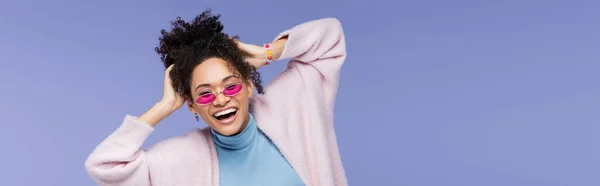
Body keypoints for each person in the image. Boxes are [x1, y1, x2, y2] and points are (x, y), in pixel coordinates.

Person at [85, 9, 347, 186]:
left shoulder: (291, 107)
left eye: (230, 86)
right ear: (192, 105)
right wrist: (163, 107)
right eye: (205, 94)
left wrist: (266, 53)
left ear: (248, 85)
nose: (220, 100)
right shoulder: (182, 156)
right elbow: (104, 166)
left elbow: (330, 36)